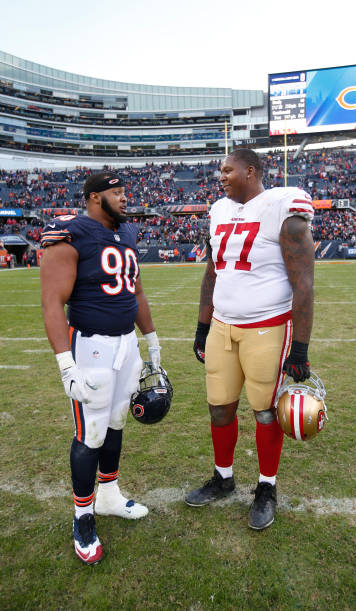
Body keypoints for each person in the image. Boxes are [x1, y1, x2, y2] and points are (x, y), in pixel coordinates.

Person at [186, 149, 315, 531]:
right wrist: (202, 324)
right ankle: (223, 477)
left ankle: (266, 487)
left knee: (264, 411)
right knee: (219, 407)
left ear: (250, 171)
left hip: (268, 325)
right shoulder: (218, 211)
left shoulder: (282, 206)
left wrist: (301, 347)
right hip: (223, 326)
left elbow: (304, 283)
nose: (221, 176)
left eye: (227, 170)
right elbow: (212, 272)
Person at [40, 171, 162, 565]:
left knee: (116, 422)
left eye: (125, 192)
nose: (126, 199)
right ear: (95, 198)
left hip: (126, 343)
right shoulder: (71, 233)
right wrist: (65, 365)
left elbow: (137, 290)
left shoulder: (125, 233)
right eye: (117, 192)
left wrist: (151, 338)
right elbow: (52, 303)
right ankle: (82, 515)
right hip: (90, 345)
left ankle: (108, 495)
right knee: (91, 432)